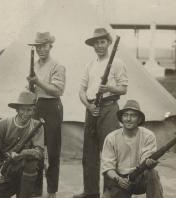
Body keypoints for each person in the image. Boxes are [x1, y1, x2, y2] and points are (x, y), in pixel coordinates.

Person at [74, 28, 128, 198]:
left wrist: (109, 88)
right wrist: (88, 106)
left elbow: (123, 88)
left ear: (109, 43)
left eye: (102, 42)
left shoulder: (118, 63)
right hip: (91, 109)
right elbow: (81, 91)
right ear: (93, 45)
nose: (99, 46)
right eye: (96, 43)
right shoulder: (90, 65)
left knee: (109, 152)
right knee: (89, 153)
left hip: (109, 108)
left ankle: (109, 192)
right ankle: (90, 191)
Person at [27, 32, 66, 198]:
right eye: (38, 46)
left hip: (52, 108)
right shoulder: (34, 65)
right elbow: (31, 88)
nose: (41, 49)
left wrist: (36, 82)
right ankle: (36, 190)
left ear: (50, 46)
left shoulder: (58, 66)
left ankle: (52, 192)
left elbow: (58, 90)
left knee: (53, 151)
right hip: (36, 107)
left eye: (44, 45)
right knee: (35, 150)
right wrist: (30, 84)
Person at [0, 91, 44, 198]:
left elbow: (39, 152)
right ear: (17, 109)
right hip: (5, 171)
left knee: (32, 163)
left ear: (33, 110)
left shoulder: (37, 126)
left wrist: (22, 154)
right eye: (23, 109)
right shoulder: (3, 124)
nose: (26, 113)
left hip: (24, 173)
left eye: (29, 109)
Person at [101, 100, 163, 198]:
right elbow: (107, 167)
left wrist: (148, 163)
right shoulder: (111, 137)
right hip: (119, 180)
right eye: (125, 115)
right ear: (121, 118)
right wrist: (119, 179)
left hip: (139, 179)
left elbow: (146, 158)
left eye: (133, 115)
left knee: (152, 173)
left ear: (139, 119)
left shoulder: (148, 136)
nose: (128, 119)